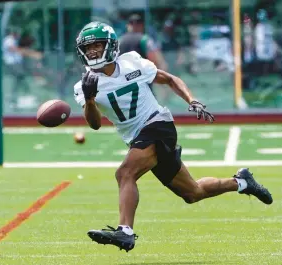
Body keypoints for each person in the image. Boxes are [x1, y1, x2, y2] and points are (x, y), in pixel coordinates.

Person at [73, 22, 273, 253]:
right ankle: (242, 182)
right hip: (138, 138)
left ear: (110, 45)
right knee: (193, 192)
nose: (92, 52)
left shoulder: (131, 62)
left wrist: (192, 100)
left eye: (97, 45)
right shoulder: (84, 85)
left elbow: (169, 79)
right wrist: (89, 100)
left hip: (158, 124)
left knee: (125, 173)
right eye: (88, 48)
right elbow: (95, 124)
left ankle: (125, 232)